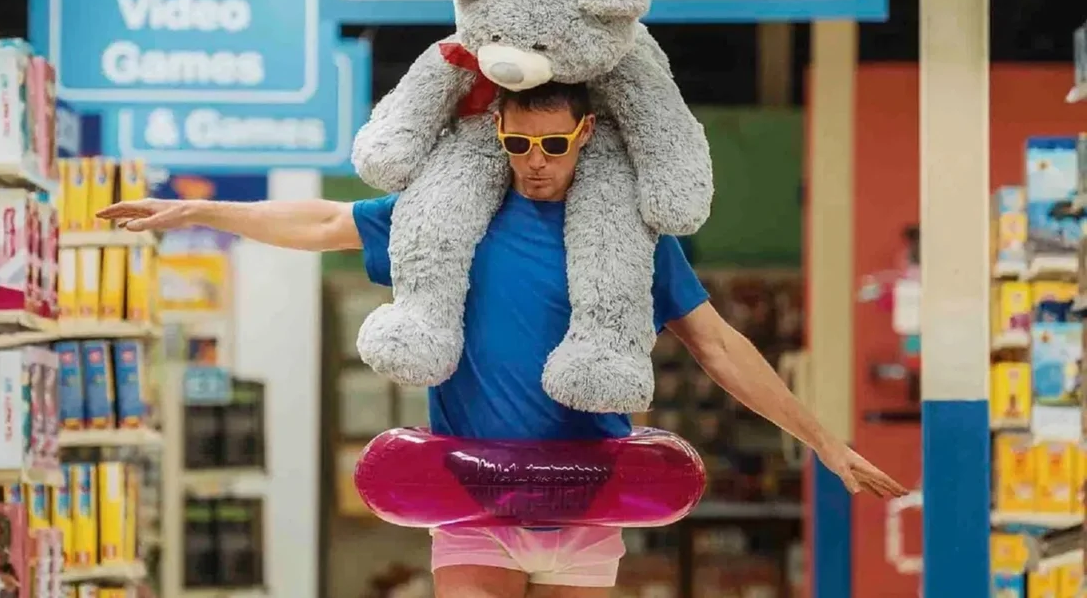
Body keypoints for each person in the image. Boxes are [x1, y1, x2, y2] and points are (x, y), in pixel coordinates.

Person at [98, 82, 906, 598]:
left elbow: (719, 346)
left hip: (586, 500)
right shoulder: (448, 219)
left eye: (553, 144)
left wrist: (824, 442)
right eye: (518, 144)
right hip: (472, 502)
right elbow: (323, 221)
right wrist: (201, 211)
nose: (534, 162)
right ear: (498, 133)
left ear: (585, 133)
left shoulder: (629, 238)